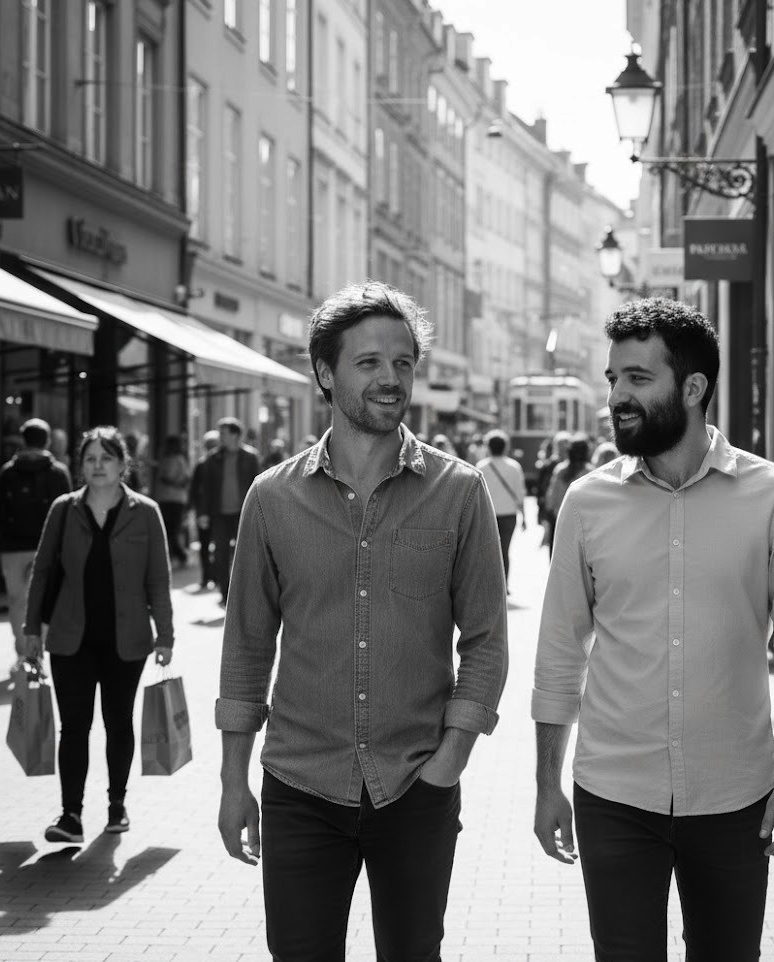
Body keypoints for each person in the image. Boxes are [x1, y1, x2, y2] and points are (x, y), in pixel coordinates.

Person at [532, 298, 774, 962]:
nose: (617, 396)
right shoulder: (587, 502)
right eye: (614, 379)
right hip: (613, 795)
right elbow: (559, 652)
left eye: (638, 379)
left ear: (693, 388)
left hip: (735, 797)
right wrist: (545, 784)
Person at [216, 282, 508, 962]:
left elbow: (488, 641)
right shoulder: (272, 498)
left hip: (415, 784)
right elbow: (247, 647)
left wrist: (450, 760)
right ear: (325, 371)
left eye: (403, 362)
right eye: (370, 362)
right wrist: (235, 784)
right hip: (300, 786)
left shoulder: (459, 491)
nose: (391, 379)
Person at [23, 426, 174, 843]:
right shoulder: (64, 509)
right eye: (89, 459)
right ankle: (71, 815)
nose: (97, 466)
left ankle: (117, 805)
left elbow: (158, 580)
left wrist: (166, 636)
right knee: (73, 727)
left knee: (118, 723)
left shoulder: (145, 512)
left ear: (123, 463)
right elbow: (44, 571)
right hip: (71, 640)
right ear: (80, 466)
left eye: (106, 458)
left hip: (126, 641)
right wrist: (30, 628)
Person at [0, 418, 71, 667]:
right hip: (47, 547)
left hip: (13, 547)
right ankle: (36, 651)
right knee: (43, 599)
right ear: (48, 441)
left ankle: (23, 652)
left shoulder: (9, 471)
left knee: (17, 601)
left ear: (23, 440)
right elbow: (69, 513)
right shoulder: (58, 472)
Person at [195, 417, 259, 605]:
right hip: (219, 514)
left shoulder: (251, 456)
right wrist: (203, 513)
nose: (219, 436)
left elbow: (258, 485)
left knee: (244, 554)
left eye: (223, 433)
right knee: (221, 554)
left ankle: (244, 592)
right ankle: (225, 593)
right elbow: (205, 488)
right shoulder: (212, 458)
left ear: (235, 435)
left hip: (243, 513)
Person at [476, 429, 528, 588]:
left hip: (487, 513)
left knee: (487, 550)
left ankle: (489, 583)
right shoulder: (514, 466)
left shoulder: (481, 466)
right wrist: (524, 516)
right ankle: (503, 584)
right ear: (505, 447)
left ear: (488, 447)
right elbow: (520, 492)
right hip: (509, 514)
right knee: (504, 549)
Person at [189, 430, 220, 590]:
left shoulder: (221, 463)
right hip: (205, 511)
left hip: (219, 511)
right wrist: (196, 510)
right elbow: (194, 489)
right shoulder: (202, 464)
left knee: (220, 545)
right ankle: (207, 576)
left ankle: (215, 575)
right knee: (205, 544)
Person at [544, 434, 593, 535]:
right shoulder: (591, 472)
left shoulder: (560, 470)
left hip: (560, 518)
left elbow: (551, 495)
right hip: (583, 522)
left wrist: (551, 512)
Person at [153, 435, 191, 567]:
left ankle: (179, 556)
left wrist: (172, 481)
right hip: (171, 499)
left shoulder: (174, 459)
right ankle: (176, 556)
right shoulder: (176, 459)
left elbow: (174, 478)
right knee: (170, 530)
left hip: (172, 499)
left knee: (170, 530)